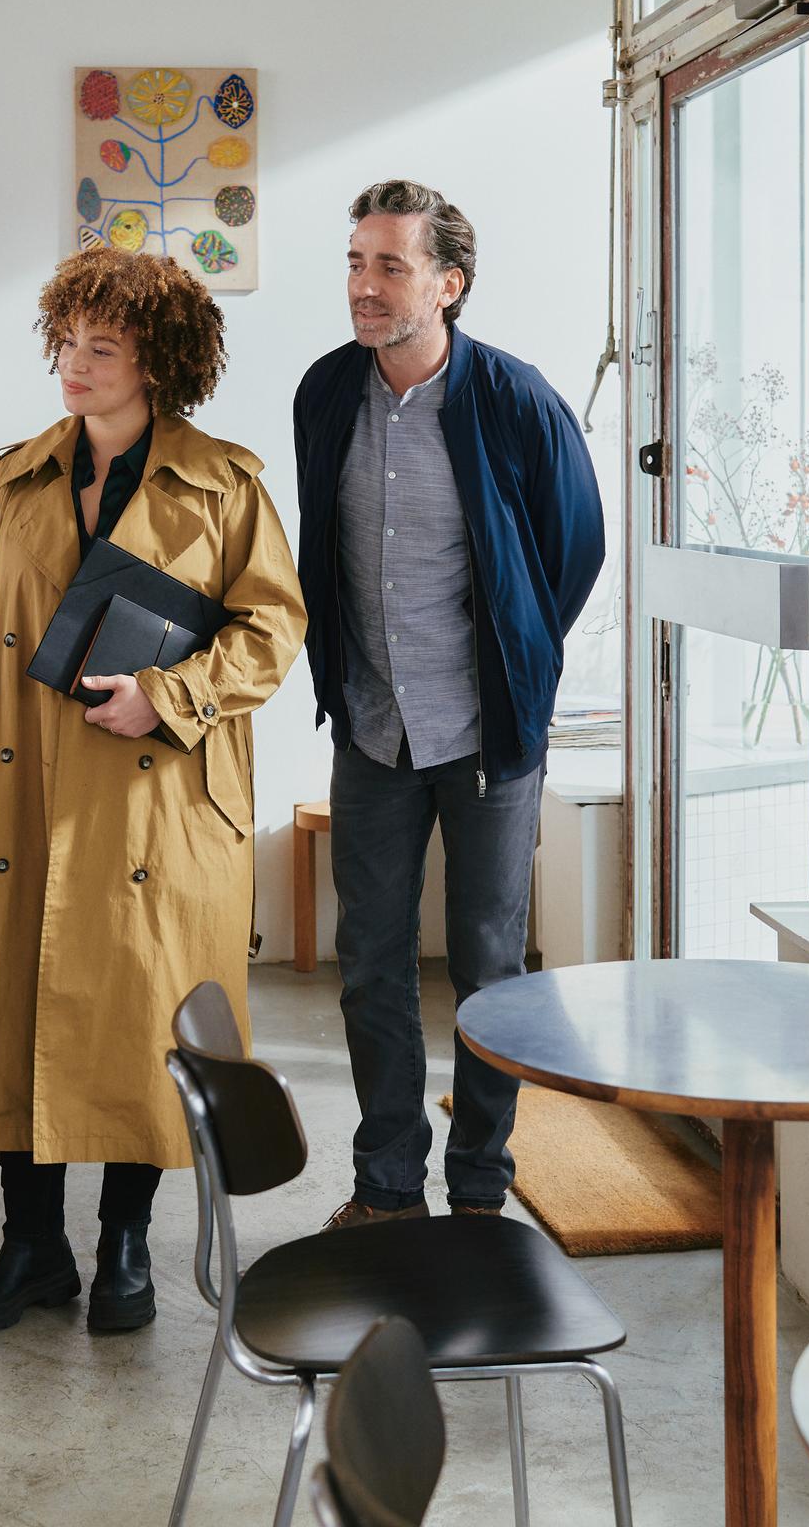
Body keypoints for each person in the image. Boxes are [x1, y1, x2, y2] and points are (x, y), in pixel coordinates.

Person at [0, 247, 306, 1335]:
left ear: (158, 364)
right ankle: (29, 1246)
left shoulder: (226, 484)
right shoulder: (12, 483)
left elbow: (274, 634)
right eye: (67, 343)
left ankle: (125, 1245)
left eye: (104, 348)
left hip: (165, 802)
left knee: (149, 1018)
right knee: (13, 1004)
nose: (76, 367)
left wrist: (168, 695)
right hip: (29, 792)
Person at [293, 180, 606, 1230]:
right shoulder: (326, 392)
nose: (365, 286)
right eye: (355, 262)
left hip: (487, 733)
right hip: (374, 724)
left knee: (489, 968)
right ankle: (386, 1187)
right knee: (371, 963)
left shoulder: (514, 399)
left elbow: (574, 548)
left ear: (448, 283)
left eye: (390, 265)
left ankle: (479, 1187)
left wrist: (515, 652)